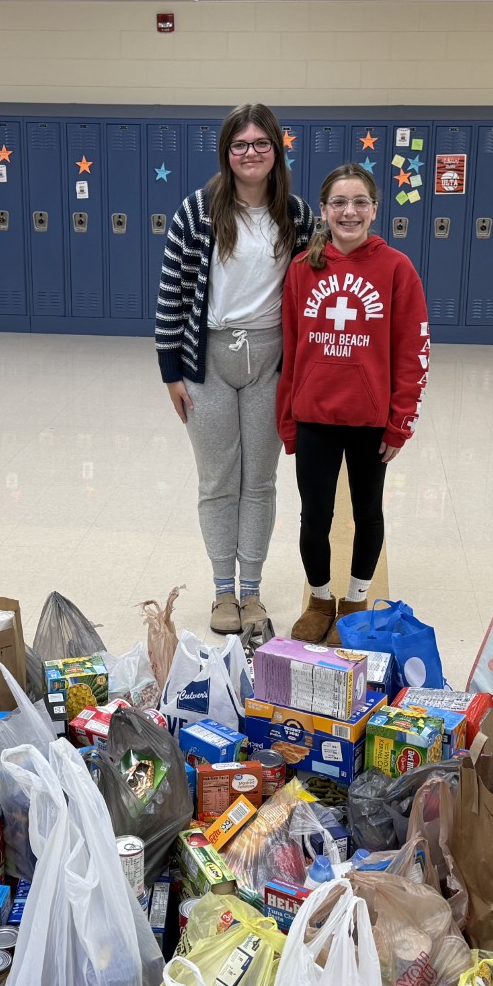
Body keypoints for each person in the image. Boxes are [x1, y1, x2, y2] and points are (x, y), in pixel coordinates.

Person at [154, 103, 315, 637]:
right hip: (207, 361)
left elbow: (316, 289)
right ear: (227, 151)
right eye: (240, 144)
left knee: (261, 481)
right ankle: (224, 589)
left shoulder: (295, 214)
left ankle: (252, 589)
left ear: (276, 151)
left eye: (261, 144)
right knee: (218, 479)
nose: (250, 153)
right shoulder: (197, 212)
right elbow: (172, 292)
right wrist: (171, 370)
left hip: (272, 361)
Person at [276, 162, 429, 645]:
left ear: (374, 209)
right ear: (323, 210)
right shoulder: (303, 269)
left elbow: (412, 350)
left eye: (360, 202)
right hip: (315, 417)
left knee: (368, 512)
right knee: (314, 515)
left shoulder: (396, 268)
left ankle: (357, 598)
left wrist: (399, 423)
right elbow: (291, 347)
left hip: (370, 421)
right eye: (339, 202)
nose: (349, 211)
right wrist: (288, 419)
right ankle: (321, 599)